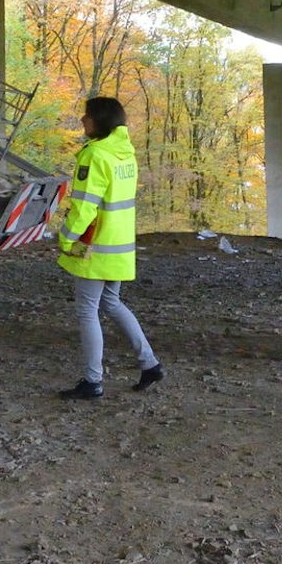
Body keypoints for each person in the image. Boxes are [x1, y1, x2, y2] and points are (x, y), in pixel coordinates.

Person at [57, 96, 163, 399]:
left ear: (98, 120)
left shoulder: (94, 155)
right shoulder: (124, 154)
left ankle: (92, 381)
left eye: (87, 115)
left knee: (87, 310)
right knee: (111, 303)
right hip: (118, 246)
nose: (82, 120)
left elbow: (85, 207)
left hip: (94, 247)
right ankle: (150, 364)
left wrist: (66, 238)